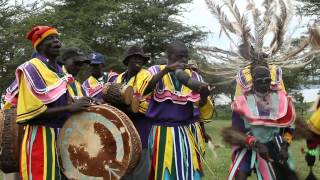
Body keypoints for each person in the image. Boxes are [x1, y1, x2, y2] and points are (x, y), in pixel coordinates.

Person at [16, 26, 91, 180]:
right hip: (41, 136)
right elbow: (30, 114)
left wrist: (84, 103)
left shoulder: (60, 72)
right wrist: (70, 108)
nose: (56, 41)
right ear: (39, 44)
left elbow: (66, 102)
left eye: (57, 38)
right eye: (50, 38)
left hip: (64, 135)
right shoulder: (31, 69)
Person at [145, 41, 214, 180]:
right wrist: (166, 70)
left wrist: (205, 95)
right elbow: (145, 89)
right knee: (164, 172)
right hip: (161, 132)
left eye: (186, 57)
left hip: (186, 131)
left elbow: (199, 106)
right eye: (179, 56)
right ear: (169, 57)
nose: (184, 60)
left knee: (189, 172)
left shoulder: (194, 76)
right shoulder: (154, 71)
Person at [227, 60, 297, 180]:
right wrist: (255, 143)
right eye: (260, 81)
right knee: (239, 174)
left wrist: (285, 146)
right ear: (253, 82)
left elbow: (289, 128)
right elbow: (236, 132)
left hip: (273, 145)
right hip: (247, 145)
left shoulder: (281, 100)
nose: (264, 84)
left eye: (267, 80)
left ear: (271, 80)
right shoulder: (241, 102)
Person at [115, 45, 153, 180]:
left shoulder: (146, 75)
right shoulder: (119, 78)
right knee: (122, 167)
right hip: (121, 128)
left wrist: (121, 106)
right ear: (127, 60)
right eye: (135, 57)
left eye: (141, 58)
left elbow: (139, 104)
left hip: (140, 127)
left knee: (140, 168)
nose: (138, 60)